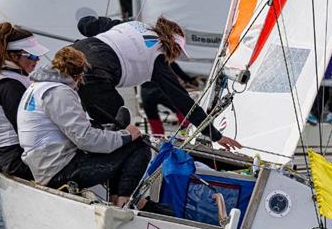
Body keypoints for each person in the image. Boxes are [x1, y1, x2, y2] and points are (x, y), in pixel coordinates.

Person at [73, 15, 241, 150]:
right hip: (95, 73)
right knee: (124, 133)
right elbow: (183, 100)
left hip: (71, 54)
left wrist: (87, 23)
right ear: (173, 47)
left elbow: (88, 25)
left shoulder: (130, 24)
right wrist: (215, 135)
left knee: (84, 112)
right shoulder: (158, 59)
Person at [18, 47, 150, 206]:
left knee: (117, 146)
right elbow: (86, 140)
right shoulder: (59, 92)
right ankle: (121, 202)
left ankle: (117, 199)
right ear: (77, 75)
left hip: (43, 167)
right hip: (59, 171)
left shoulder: (37, 86)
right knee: (139, 145)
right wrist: (127, 135)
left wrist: (113, 134)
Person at [0, 22, 49, 180]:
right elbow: (26, 128)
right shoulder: (9, 86)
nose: (38, 59)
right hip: (15, 159)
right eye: (32, 56)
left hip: (18, 154)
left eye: (37, 55)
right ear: (13, 56)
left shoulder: (12, 77)